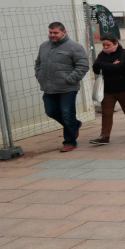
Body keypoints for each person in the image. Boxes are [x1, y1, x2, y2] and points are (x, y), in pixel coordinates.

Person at [35, 21, 90, 152]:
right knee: (51, 111)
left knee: (67, 114)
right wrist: (39, 75)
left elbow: (83, 66)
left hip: (67, 88)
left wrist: (69, 79)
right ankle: (75, 125)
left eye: (55, 33)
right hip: (49, 87)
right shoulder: (44, 46)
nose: (52, 35)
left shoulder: (74, 47)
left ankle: (70, 142)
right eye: (50, 32)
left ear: (63, 32)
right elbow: (38, 63)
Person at [89, 35, 125, 145]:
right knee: (106, 113)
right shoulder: (102, 54)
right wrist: (110, 65)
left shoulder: (122, 53)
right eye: (103, 45)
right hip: (107, 90)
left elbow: (118, 67)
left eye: (108, 45)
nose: (105, 47)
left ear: (115, 44)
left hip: (124, 89)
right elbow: (96, 67)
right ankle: (104, 136)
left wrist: (105, 65)